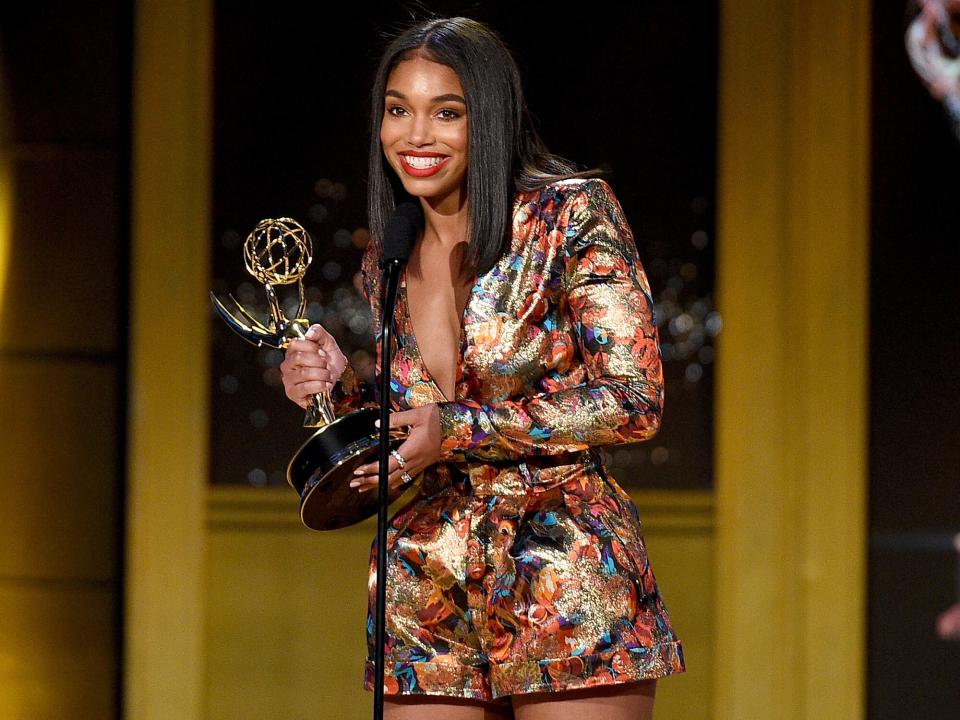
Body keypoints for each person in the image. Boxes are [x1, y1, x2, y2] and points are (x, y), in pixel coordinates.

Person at [279, 16, 684, 720]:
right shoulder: (388, 256)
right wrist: (336, 389)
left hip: (563, 573)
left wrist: (456, 430)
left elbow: (633, 398)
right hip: (426, 586)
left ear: (489, 118)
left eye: (447, 112)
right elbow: (413, 423)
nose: (417, 136)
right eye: (398, 110)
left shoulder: (567, 215)